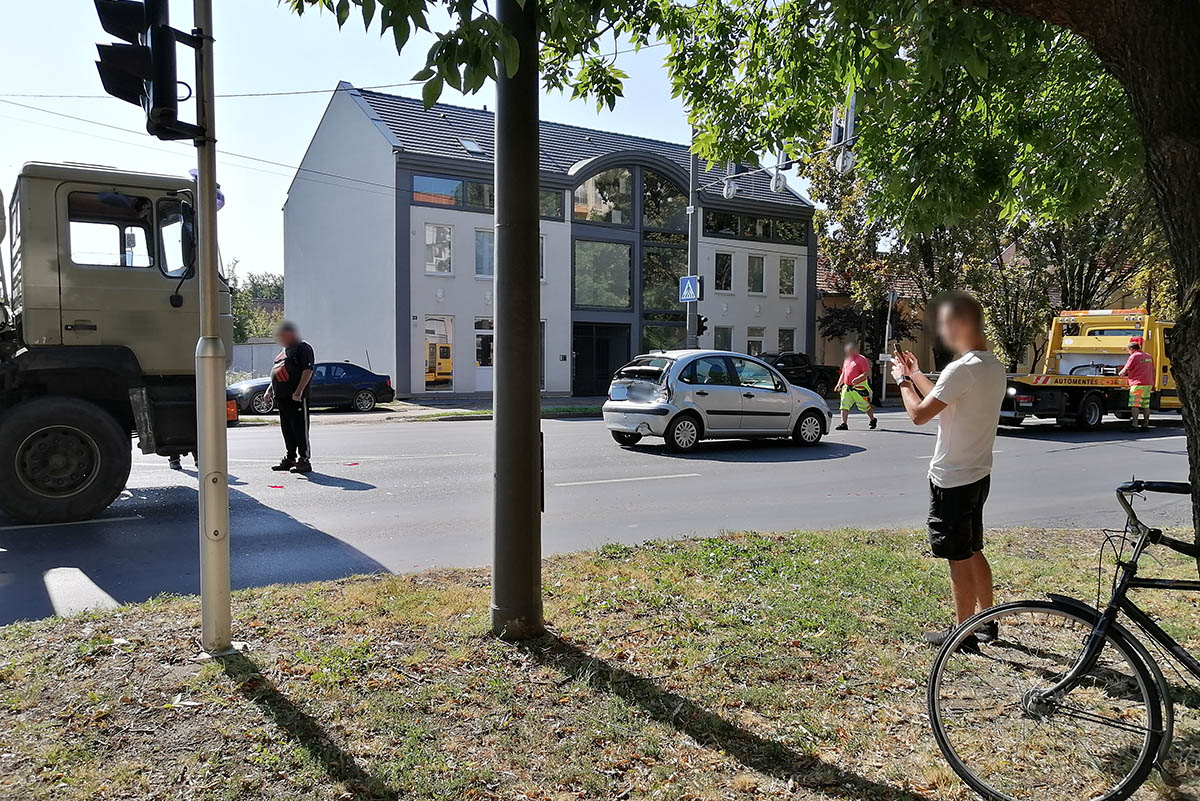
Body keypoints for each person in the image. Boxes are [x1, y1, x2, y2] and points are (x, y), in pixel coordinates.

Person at [891, 291, 1006, 650]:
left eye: (946, 328)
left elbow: (919, 414)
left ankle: (964, 634)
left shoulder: (962, 369)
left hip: (952, 479)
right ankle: (987, 622)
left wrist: (901, 381)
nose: (944, 335)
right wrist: (916, 373)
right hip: (977, 473)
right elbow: (943, 400)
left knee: (958, 556)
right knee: (972, 549)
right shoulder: (990, 366)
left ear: (961, 325)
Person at [263, 321, 315, 474]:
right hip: (282, 398)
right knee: (287, 429)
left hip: (297, 398)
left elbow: (308, 370)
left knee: (300, 429)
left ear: (290, 334)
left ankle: (304, 460)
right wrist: (269, 391)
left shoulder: (303, 348)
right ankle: (290, 458)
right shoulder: (284, 352)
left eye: (282, 336)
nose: (279, 339)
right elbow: (278, 372)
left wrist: (299, 391)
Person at [834, 342, 877, 430]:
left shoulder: (862, 359)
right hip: (847, 388)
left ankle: (872, 419)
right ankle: (843, 424)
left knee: (865, 406)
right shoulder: (847, 360)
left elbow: (866, 373)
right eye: (847, 351)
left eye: (850, 350)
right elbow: (843, 373)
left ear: (855, 350)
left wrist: (857, 379)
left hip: (859, 388)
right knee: (844, 405)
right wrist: (839, 384)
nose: (848, 352)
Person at [1118, 336, 1155, 432]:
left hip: (1138, 384)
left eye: (1128, 350)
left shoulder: (1134, 356)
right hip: (1148, 383)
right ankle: (1145, 424)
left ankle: (1134, 425)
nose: (1128, 352)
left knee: (1135, 405)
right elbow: (1153, 370)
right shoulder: (1148, 356)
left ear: (1131, 349)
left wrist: (1120, 373)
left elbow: (1126, 368)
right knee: (1146, 405)